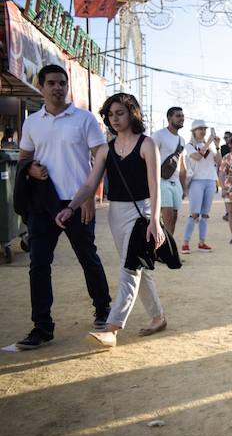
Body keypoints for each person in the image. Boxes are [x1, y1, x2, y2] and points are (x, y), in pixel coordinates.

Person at [55, 93, 166, 348]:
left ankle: (112, 327)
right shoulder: (106, 149)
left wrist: (155, 221)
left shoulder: (147, 144)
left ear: (132, 114)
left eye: (120, 113)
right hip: (117, 213)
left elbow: (155, 185)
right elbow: (90, 184)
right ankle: (158, 317)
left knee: (129, 268)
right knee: (138, 268)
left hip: (144, 212)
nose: (114, 119)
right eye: (110, 114)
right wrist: (71, 207)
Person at [14, 64, 111, 349]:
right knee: (39, 265)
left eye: (62, 83)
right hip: (43, 204)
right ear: (41, 86)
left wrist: (90, 195)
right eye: (52, 83)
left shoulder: (84, 119)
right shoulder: (32, 122)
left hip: (77, 202)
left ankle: (103, 310)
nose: (58, 88)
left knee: (88, 258)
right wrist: (30, 168)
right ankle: (41, 327)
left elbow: (101, 156)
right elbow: (23, 158)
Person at [181, 119, 220, 254]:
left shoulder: (209, 146)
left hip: (210, 180)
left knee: (205, 214)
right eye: (200, 129)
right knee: (194, 213)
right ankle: (185, 243)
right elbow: (197, 157)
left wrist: (217, 146)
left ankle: (201, 243)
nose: (203, 131)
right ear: (194, 131)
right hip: (196, 181)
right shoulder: (190, 145)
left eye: (204, 129)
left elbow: (218, 161)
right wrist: (209, 142)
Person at [152, 107, 186, 236]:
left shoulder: (182, 140)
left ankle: (168, 251)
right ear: (169, 118)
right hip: (161, 181)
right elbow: (148, 158)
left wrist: (184, 187)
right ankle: (164, 253)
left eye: (182, 116)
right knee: (167, 218)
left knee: (173, 220)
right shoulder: (159, 135)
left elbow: (182, 166)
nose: (181, 118)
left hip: (176, 183)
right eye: (178, 116)